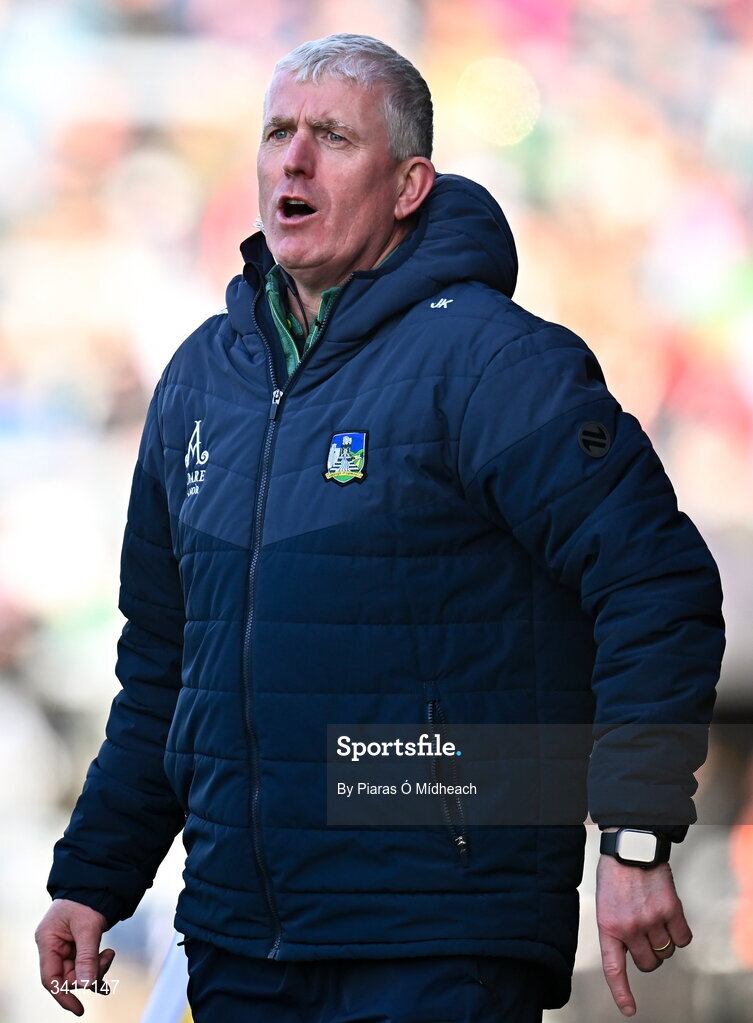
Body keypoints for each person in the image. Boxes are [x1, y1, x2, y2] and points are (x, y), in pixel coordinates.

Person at [35, 33, 724, 1023]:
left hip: (437, 944)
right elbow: (164, 668)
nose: (294, 159)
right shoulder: (198, 382)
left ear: (409, 186)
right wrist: (96, 875)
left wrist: (635, 836)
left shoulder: (493, 364)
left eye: (332, 136)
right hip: (237, 940)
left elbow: (658, 586)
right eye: (278, 131)